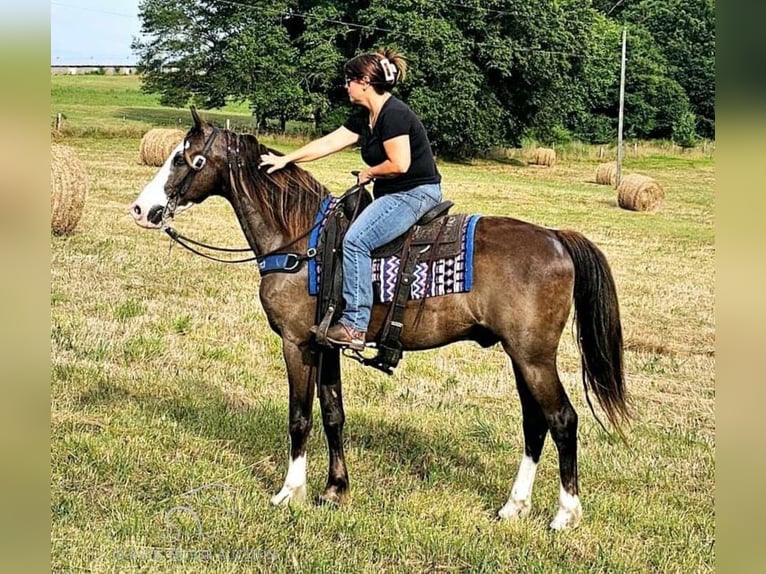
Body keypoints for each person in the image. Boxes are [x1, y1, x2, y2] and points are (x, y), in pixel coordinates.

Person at [259, 48, 442, 351]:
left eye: (349, 80)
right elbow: (330, 142)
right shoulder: (365, 117)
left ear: (365, 83)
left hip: (414, 193)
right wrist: (287, 159)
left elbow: (400, 164)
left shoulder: (393, 114)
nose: (346, 86)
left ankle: (356, 326)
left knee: (356, 241)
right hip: (393, 193)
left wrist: (370, 172)